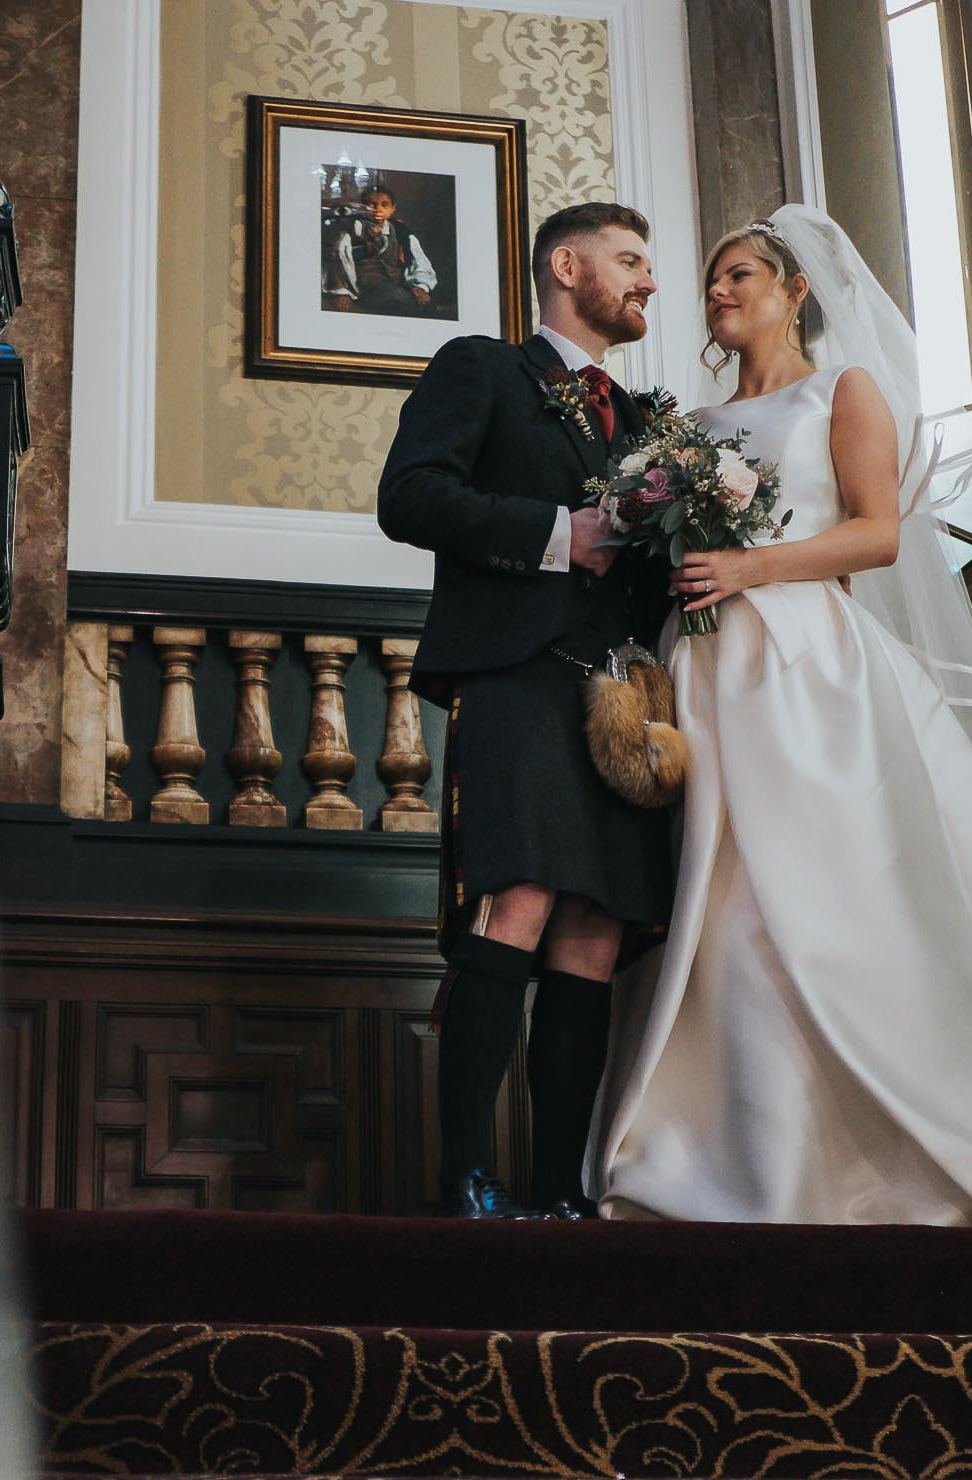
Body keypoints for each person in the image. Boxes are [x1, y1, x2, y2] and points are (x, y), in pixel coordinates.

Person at [585, 207, 972, 1230]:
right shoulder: (685, 433)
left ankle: (879, 1158)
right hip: (703, 670)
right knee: (720, 904)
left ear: (797, 290)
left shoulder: (843, 391)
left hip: (809, 668)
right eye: (711, 282)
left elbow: (875, 534)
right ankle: (732, 1158)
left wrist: (750, 564)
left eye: (740, 274)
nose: (719, 292)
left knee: (821, 891)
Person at [377, 202, 678, 1219]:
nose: (648, 281)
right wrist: (562, 532)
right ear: (566, 265)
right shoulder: (483, 369)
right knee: (522, 902)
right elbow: (409, 497)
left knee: (595, 930)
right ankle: (466, 1175)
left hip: (624, 700)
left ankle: (559, 1194)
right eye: (631, 260)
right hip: (516, 672)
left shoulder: (645, 426)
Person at [325, 184, 439, 315]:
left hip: (398, 283)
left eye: (384, 205)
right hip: (365, 287)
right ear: (362, 207)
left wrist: (421, 287)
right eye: (372, 205)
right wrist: (343, 291)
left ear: (392, 209)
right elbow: (340, 260)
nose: (378, 209)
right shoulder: (351, 229)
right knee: (401, 300)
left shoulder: (401, 232)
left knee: (428, 303)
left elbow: (419, 263)